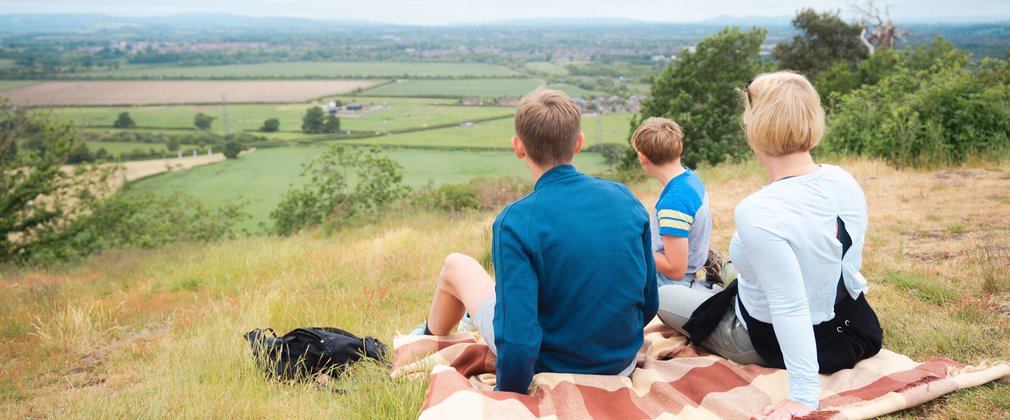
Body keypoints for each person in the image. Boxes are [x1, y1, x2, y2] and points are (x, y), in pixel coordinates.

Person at [655, 71, 883, 419]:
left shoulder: (760, 210)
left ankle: (718, 277)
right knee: (741, 270)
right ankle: (721, 273)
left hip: (770, 337)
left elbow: (789, 307)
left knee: (664, 297)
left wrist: (804, 395)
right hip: (857, 323)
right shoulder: (842, 179)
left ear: (754, 126)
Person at [412, 88, 658, 395]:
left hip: (551, 366)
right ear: (579, 142)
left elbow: (517, 340)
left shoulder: (515, 221)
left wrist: (507, 397)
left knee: (456, 265)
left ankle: (426, 337)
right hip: (621, 363)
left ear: (518, 147)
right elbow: (650, 303)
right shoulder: (624, 198)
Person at [631, 117, 715, 291]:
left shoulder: (674, 202)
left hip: (670, 285)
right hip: (680, 278)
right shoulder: (690, 180)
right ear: (680, 148)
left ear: (642, 158)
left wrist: (636, 248)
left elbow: (676, 270)